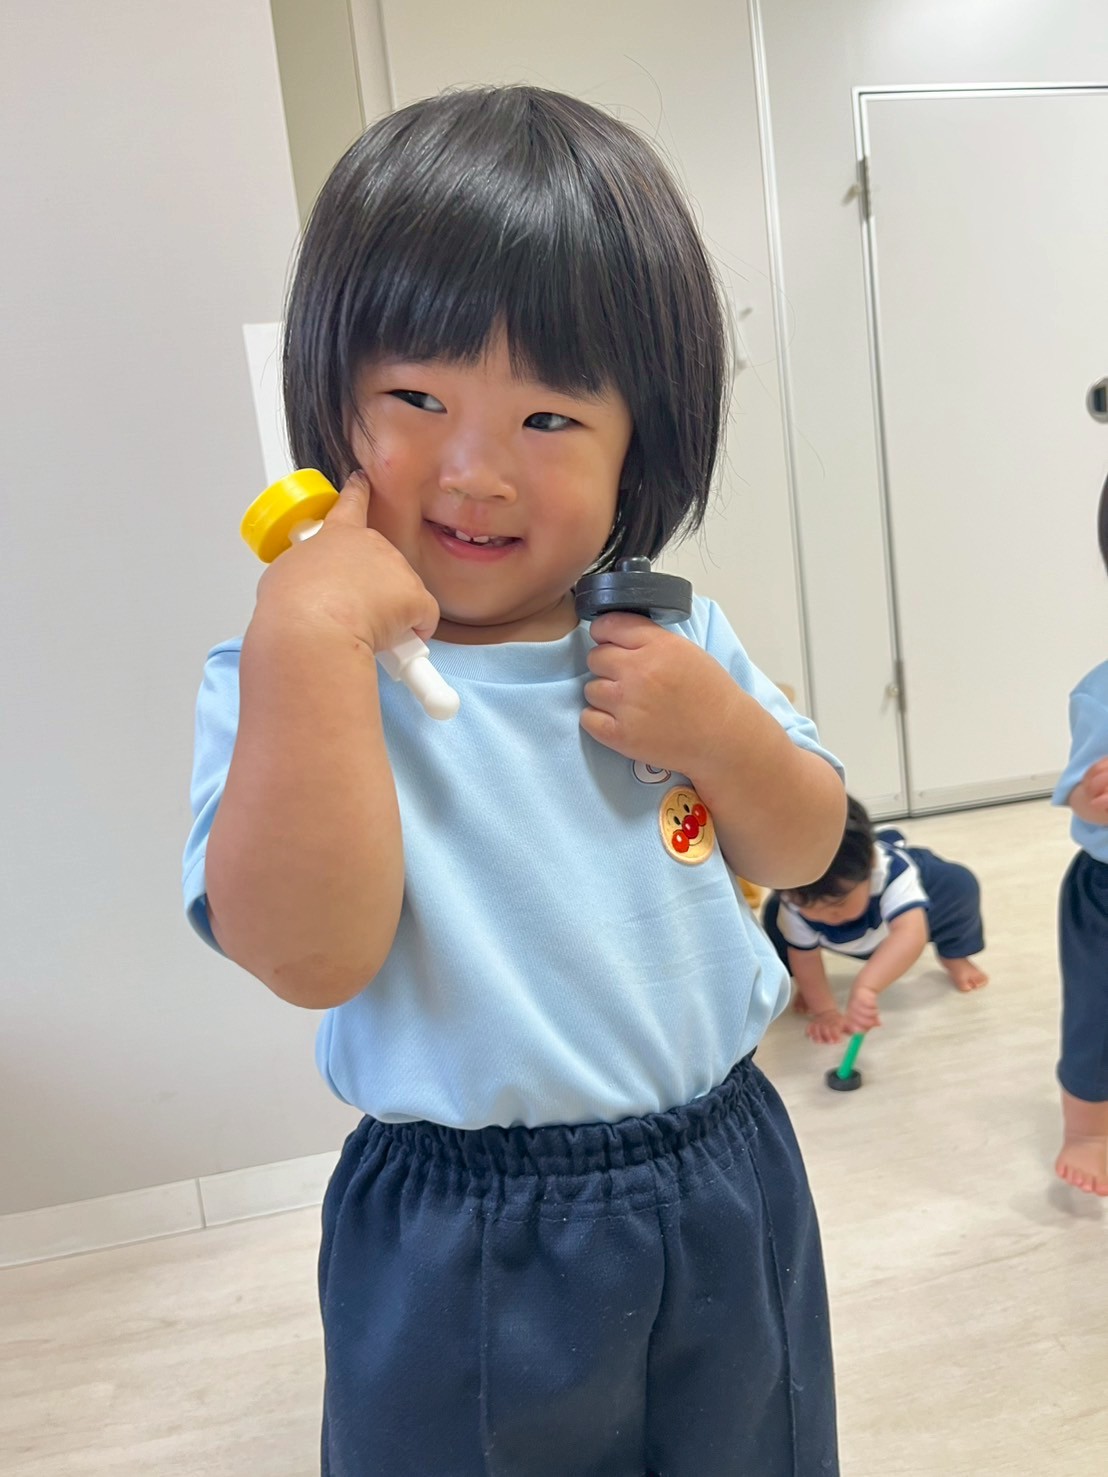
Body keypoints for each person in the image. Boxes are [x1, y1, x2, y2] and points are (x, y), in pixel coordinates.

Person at [183, 85, 846, 1475]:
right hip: (462, 1223)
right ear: (333, 401)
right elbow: (306, 956)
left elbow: (805, 852)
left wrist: (725, 736)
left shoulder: (671, 638)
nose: (475, 470)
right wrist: (307, 640)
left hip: (723, 1168)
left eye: (549, 417)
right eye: (418, 399)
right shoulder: (295, 671)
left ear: (639, 445)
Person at [763, 796, 986, 1044]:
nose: (826, 916)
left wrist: (867, 987)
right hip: (851, 935)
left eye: (838, 903)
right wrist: (825, 1010)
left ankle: (954, 955)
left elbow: (910, 934)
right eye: (809, 907)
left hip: (911, 912)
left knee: (959, 884)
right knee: (774, 917)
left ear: (871, 864)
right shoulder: (794, 895)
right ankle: (811, 989)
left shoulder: (894, 872)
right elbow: (805, 957)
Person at [1051, 474, 1108, 1196]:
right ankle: (1087, 1129)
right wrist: (1094, 802)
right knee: (1096, 1017)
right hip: (1104, 894)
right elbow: (1080, 794)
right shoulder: (1100, 693)